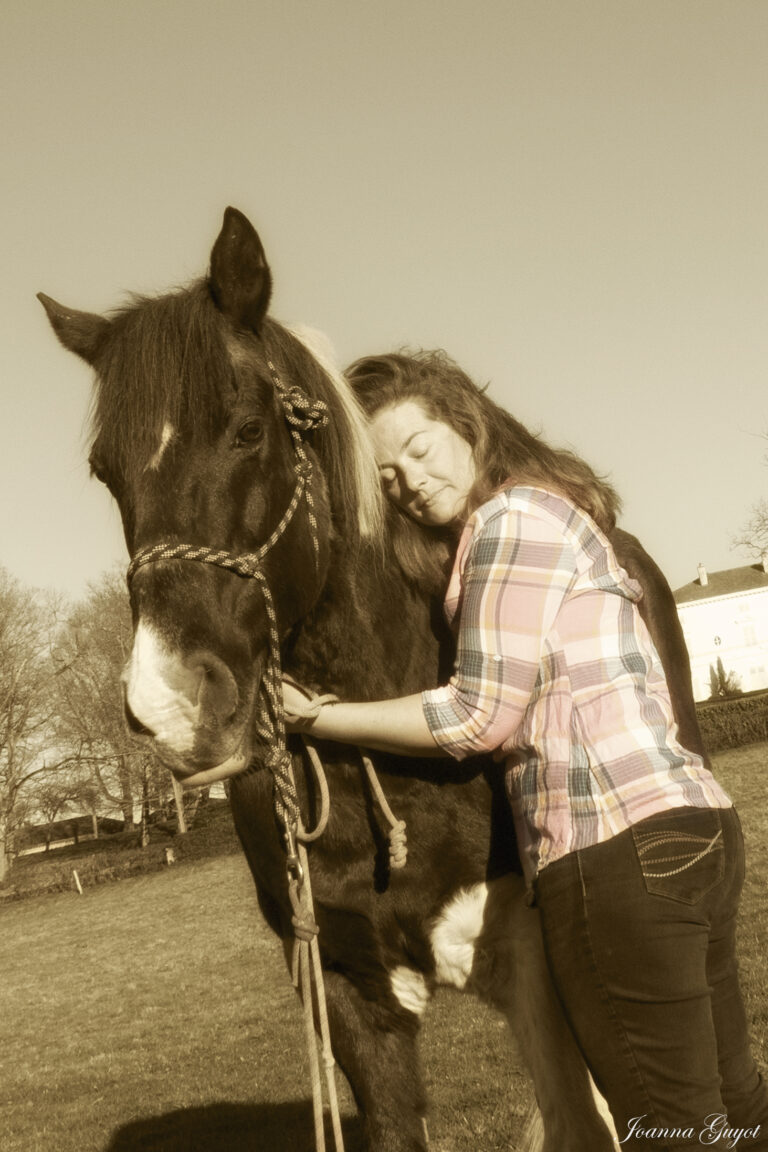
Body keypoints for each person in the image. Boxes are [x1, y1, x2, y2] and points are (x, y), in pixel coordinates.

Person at [282, 350, 768, 1150]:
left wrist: (321, 719)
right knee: (732, 1101)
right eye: (388, 477)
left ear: (465, 423)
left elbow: (476, 717)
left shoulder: (507, 524)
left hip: (614, 851)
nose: (410, 482)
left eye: (419, 449)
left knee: (669, 1125)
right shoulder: (556, 512)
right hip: (690, 830)